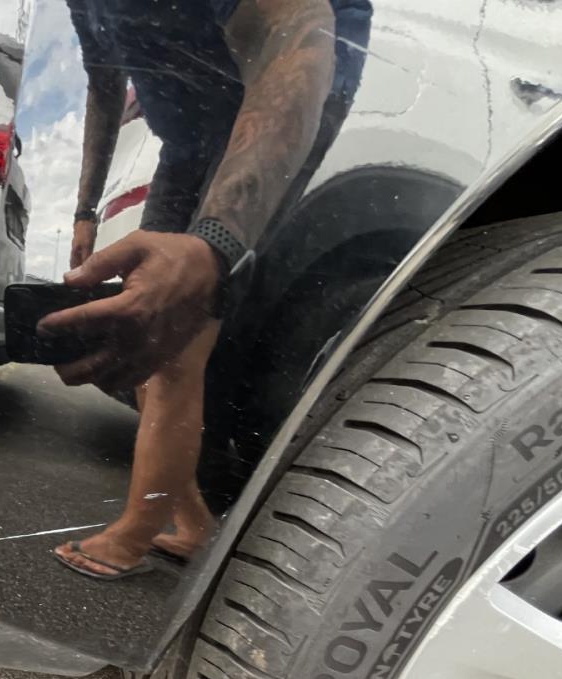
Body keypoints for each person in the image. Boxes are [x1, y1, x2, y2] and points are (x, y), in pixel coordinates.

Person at [49, 0, 371, 579]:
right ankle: (194, 525)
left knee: (177, 342)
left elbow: (298, 33)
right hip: (186, 139)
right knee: (147, 330)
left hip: (276, 99)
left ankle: (136, 530)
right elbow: (104, 86)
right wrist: (84, 211)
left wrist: (213, 245)